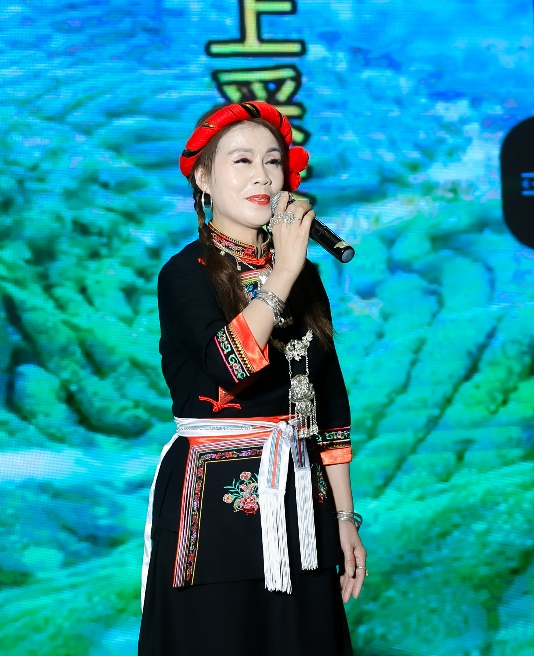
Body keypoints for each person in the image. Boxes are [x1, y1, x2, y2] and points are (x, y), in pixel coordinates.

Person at [138, 102, 366, 655]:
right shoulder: (184, 274)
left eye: (273, 161)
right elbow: (228, 366)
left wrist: (344, 517)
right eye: (242, 161)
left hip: (300, 498)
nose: (262, 176)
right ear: (203, 178)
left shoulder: (303, 278)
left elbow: (328, 405)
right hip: (213, 501)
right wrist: (283, 272)